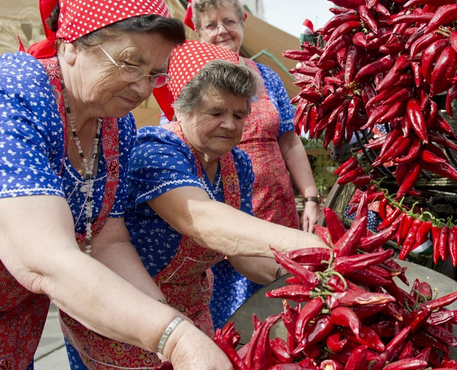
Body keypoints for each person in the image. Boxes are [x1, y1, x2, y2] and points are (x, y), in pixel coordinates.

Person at [0, 0, 234, 368]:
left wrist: (164, 321)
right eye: (130, 63)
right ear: (72, 45)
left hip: (9, 327)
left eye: (155, 74)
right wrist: (175, 338)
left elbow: (107, 240)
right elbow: (45, 258)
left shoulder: (115, 123)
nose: (143, 87)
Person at [63, 40, 328, 370]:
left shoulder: (238, 165)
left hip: (191, 310)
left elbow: (239, 251)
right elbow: (202, 221)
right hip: (130, 309)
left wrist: (292, 272)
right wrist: (309, 247)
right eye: (215, 112)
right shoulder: (156, 150)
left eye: (238, 114)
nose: (230, 124)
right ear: (181, 108)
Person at [185, 0, 321, 329]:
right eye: (211, 25)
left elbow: (289, 140)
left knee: (283, 306)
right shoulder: (191, 79)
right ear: (199, 31)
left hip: (278, 208)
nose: (222, 31)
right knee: (233, 321)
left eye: (228, 21)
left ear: (243, 22)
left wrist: (311, 196)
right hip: (223, 210)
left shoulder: (267, 76)